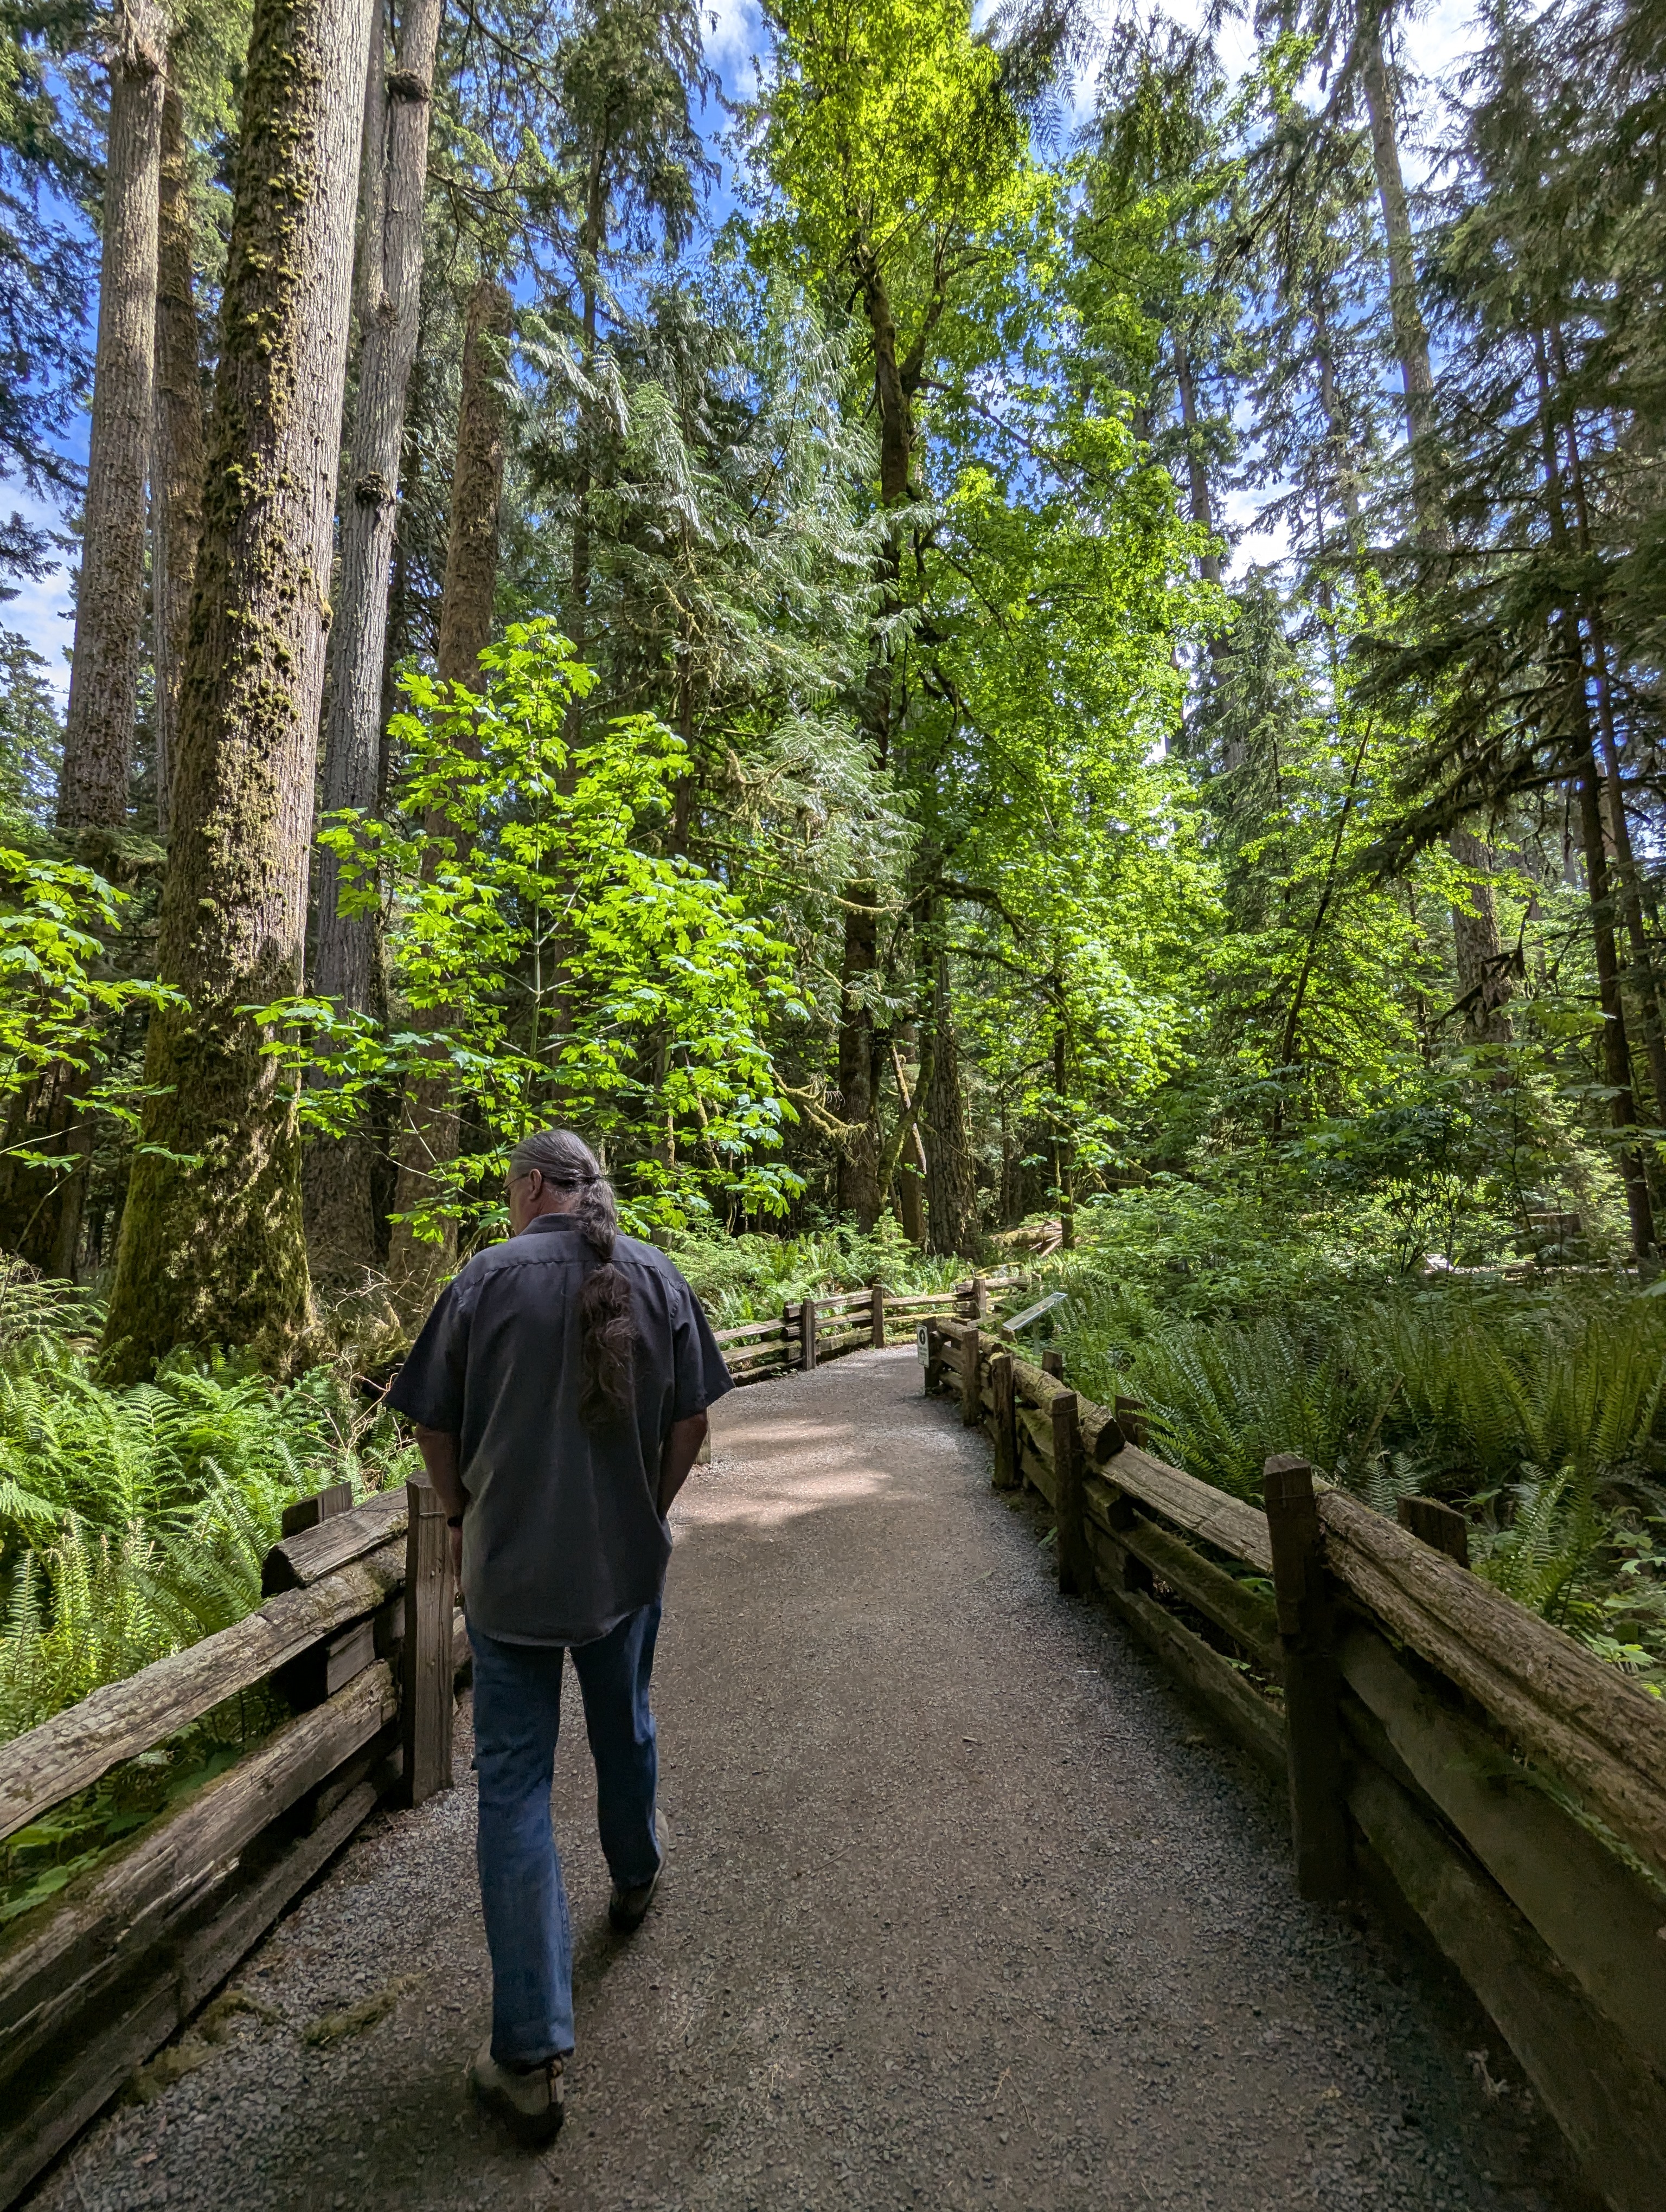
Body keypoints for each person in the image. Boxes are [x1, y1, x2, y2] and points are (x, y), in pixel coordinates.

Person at [386, 1128, 732, 2145]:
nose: (506, 1206)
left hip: (510, 1578)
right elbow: (693, 1421)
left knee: (515, 1783)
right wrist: (648, 1505)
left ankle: (531, 2050)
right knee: (622, 1720)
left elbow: (433, 1423)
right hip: (622, 1566)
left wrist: (460, 1515)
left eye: (508, 1190)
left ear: (533, 1185)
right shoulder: (657, 1273)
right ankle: (635, 1873)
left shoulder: (483, 1281)